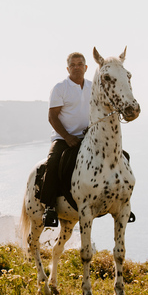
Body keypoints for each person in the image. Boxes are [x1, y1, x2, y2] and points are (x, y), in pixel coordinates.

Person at [40, 52, 92, 227]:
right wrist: (67, 137)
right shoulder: (60, 88)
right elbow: (52, 117)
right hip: (64, 138)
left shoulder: (94, 87)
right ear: (68, 68)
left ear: (86, 67)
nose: (77, 67)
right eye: (73, 64)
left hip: (89, 138)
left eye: (80, 64)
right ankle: (50, 207)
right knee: (53, 162)